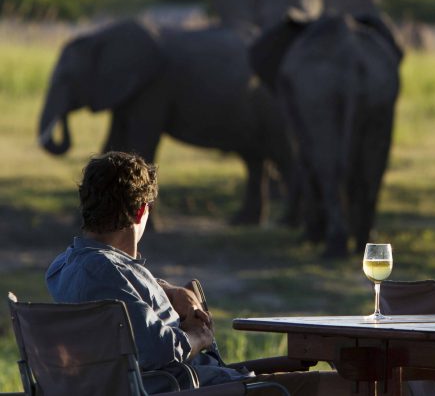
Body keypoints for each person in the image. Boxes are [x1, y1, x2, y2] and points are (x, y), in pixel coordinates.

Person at [46, 151, 350, 395]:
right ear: (141, 212)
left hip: (188, 381)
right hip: (185, 387)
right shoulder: (102, 271)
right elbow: (157, 349)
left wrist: (165, 289)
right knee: (348, 386)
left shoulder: (65, 266)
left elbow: (118, 296)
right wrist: (198, 337)